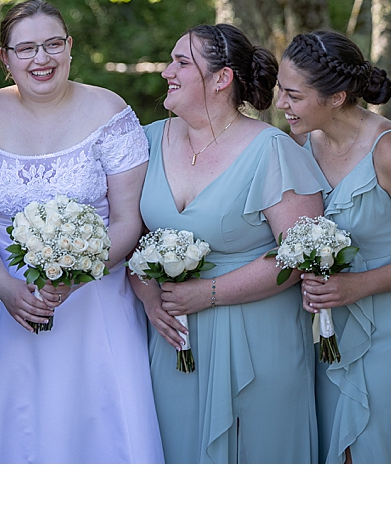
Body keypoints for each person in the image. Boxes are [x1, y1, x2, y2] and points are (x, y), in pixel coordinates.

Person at [0, 0, 164, 463]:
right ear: (4, 58)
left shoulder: (110, 111)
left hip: (95, 298)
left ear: (70, 47)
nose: (41, 59)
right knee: (15, 431)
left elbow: (130, 219)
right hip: (10, 300)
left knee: (100, 425)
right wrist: (7, 288)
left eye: (52, 44)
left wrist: (76, 275)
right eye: (25, 48)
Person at [135, 23, 328, 464]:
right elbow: (131, 234)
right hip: (173, 333)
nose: (167, 71)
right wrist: (149, 300)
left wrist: (210, 292)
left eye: (182, 62)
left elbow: (299, 254)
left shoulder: (272, 150)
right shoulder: (146, 140)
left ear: (222, 79)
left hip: (257, 337)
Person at [276, 29, 391, 464]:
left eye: (293, 95)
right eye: (280, 91)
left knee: (380, 453)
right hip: (327, 327)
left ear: (337, 97)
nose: (281, 104)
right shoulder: (302, 142)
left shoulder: (390, 151)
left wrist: (359, 285)